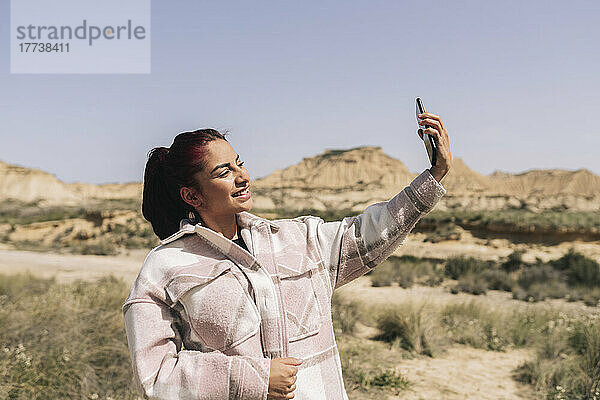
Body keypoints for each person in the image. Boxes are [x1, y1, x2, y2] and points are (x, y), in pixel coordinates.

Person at [123, 112, 451, 400]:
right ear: (191, 195)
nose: (243, 177)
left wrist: (434, 175)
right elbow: (156, 374)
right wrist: (255, 379)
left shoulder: (296, 239)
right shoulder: (164, 267)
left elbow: (368, 233)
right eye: (223, 172)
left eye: (240, 163)